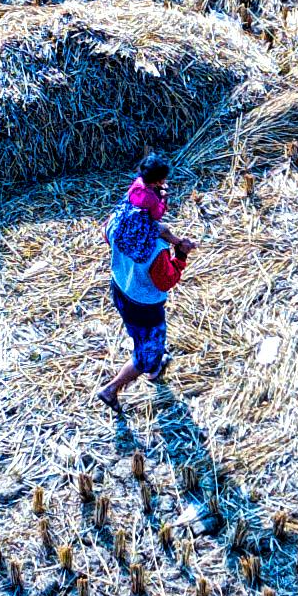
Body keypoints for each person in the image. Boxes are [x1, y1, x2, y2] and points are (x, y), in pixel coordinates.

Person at [98, 154, 191, 407]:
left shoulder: (118, 221)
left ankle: (151, 364)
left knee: (136, 332)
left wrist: (168, 236)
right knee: (148, 352)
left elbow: (107, 234)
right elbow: (166, 281)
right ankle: (113, 387)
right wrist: (180, 254)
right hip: (144, 304)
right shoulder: (154, 250)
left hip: (120, 289)